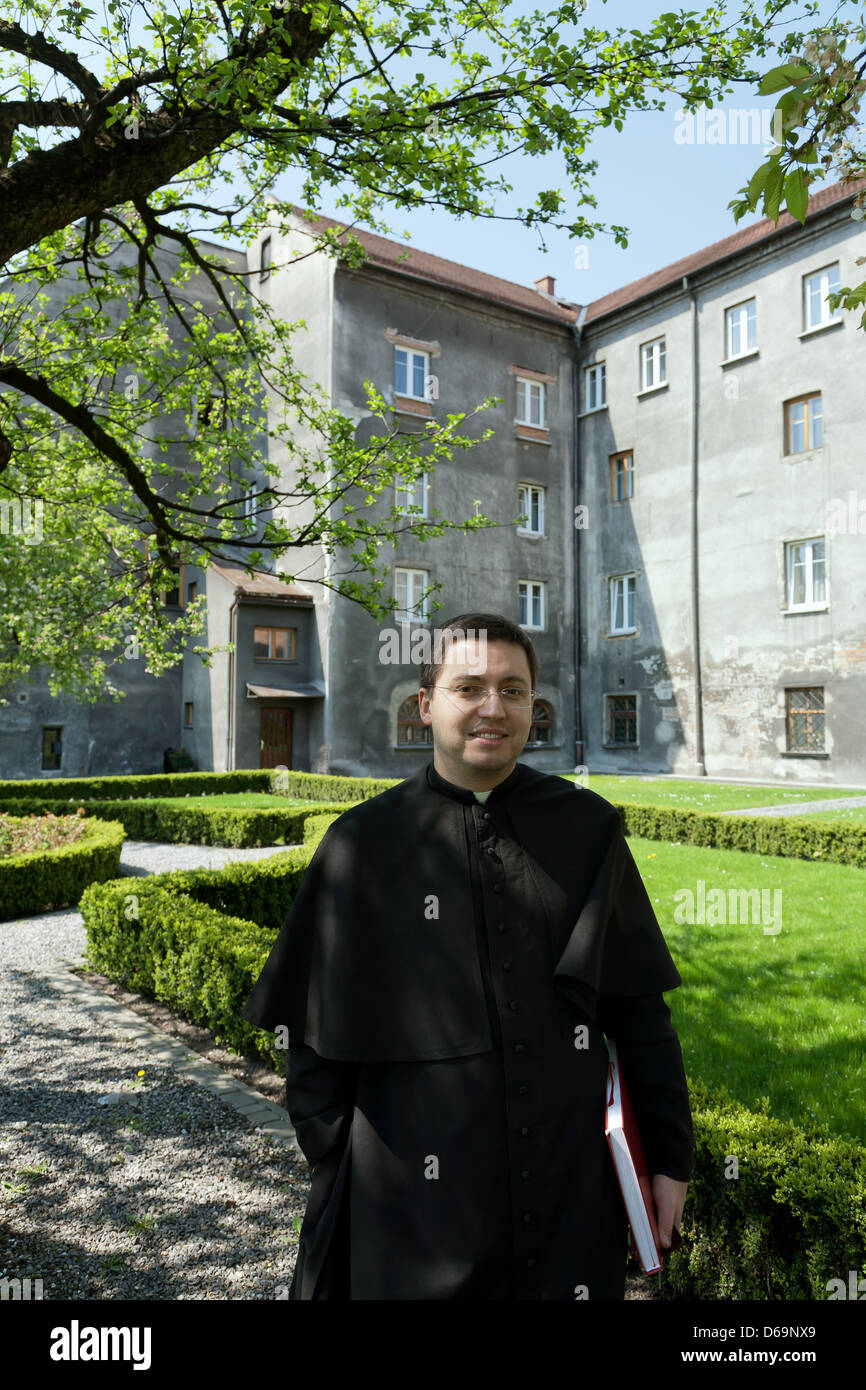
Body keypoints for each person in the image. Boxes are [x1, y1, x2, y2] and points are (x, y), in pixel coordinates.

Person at [242, 612, 692, 1299]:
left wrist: (668, 1162)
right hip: (411, 1212)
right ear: (426, 706)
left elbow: (640, 1018)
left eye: (514, 691)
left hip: (567, 1198)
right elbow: (312, 1053)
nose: (494, 708)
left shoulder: (587, 828)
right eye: (470, 687)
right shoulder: (361, 847)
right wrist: (343, 1167)